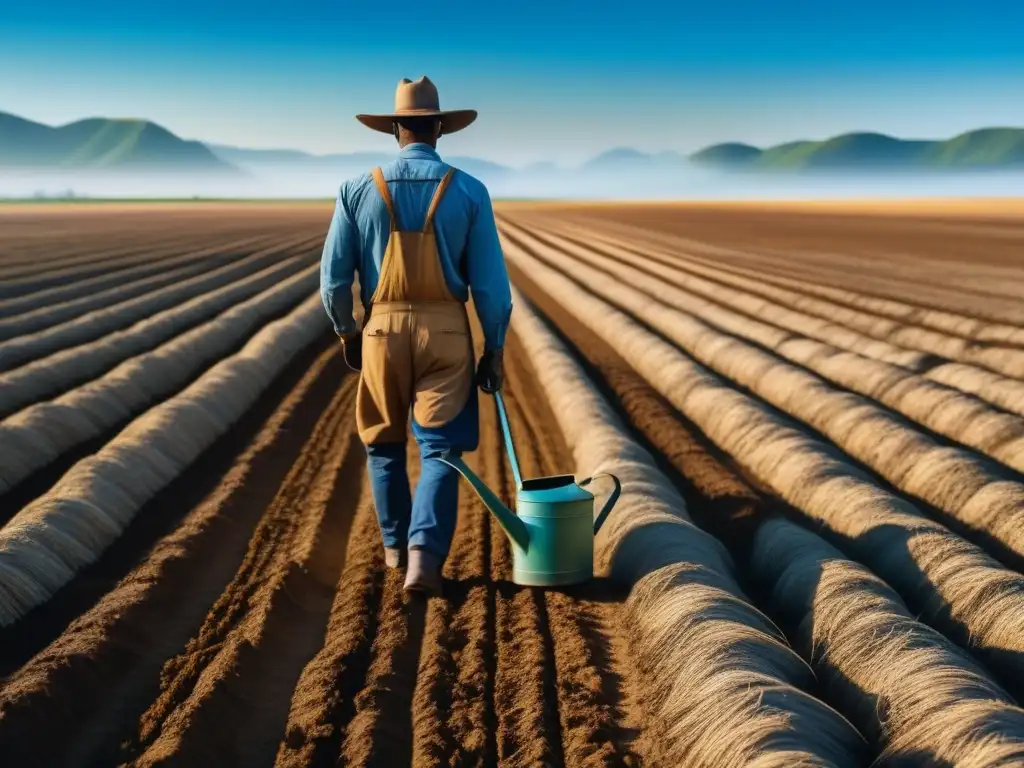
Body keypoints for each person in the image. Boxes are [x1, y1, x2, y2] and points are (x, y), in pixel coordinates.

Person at [320, 76, 513, 597]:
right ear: (441, 129)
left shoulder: (357, 189)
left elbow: (335, 279)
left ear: (395, 130)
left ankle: (393, 549)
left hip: (381, 329)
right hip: (447, 332)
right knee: (441, 451)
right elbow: (492, 287)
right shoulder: (469, 190)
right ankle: (424, 563)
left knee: (382, 445)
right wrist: (494, 347)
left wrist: (347, 330)